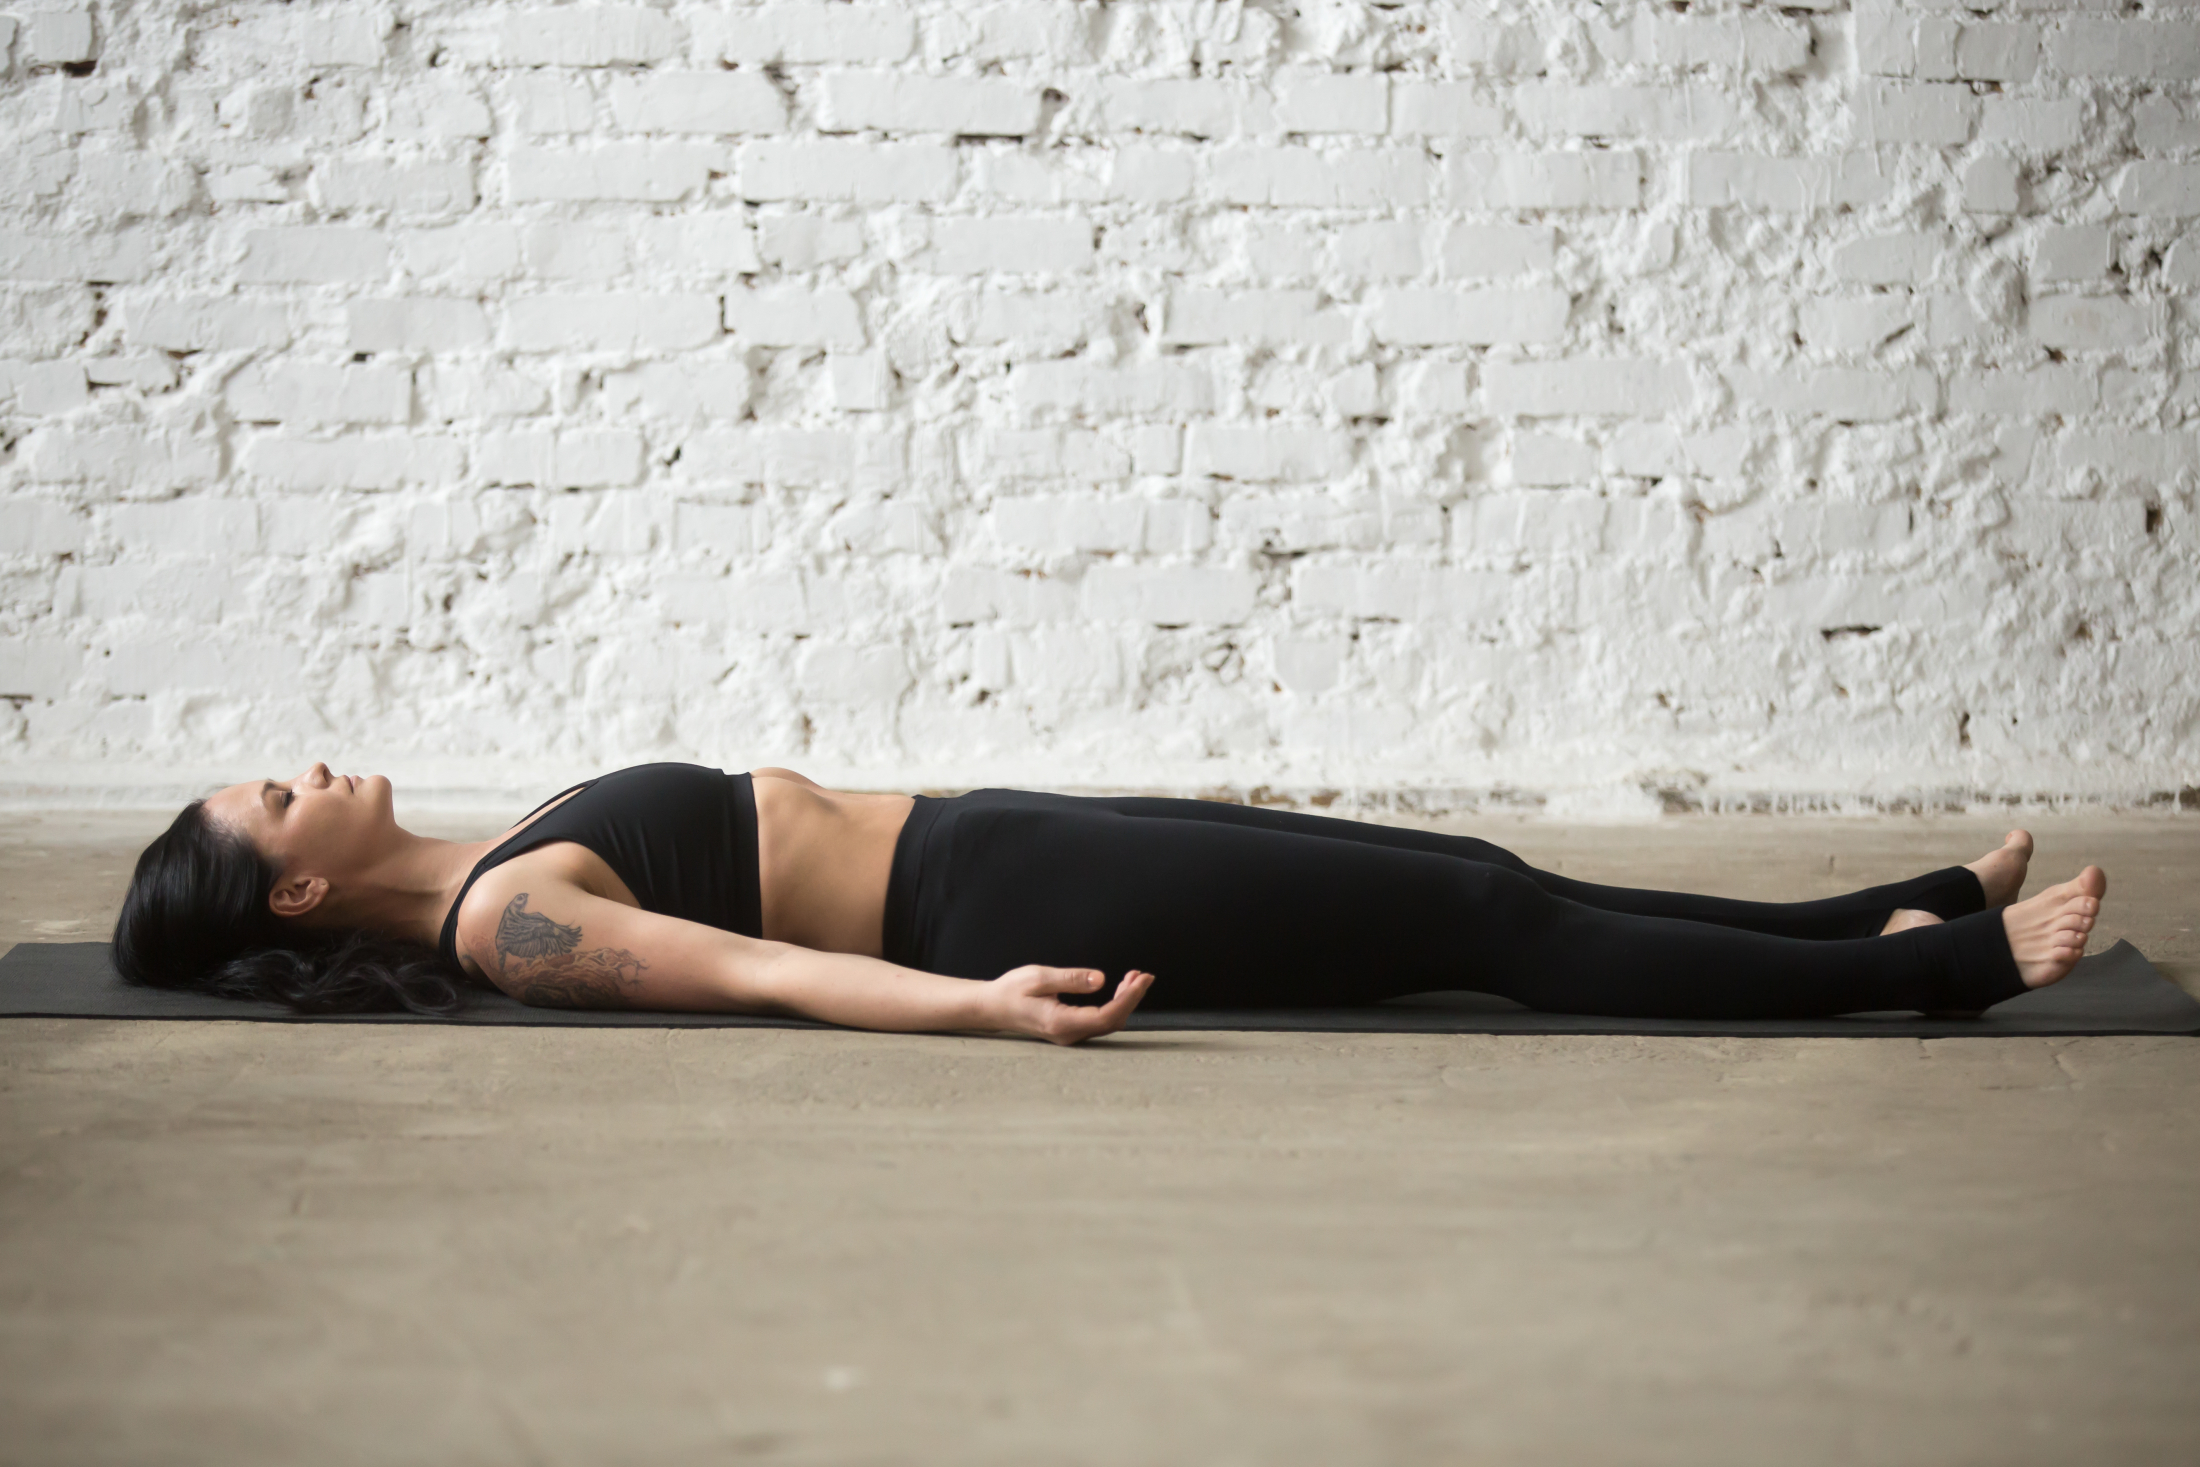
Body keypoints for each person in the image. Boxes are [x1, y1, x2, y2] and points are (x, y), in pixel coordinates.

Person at [112, 762, 2107, 1044]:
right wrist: (979, 1005)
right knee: (1482, 931)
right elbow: (755, 965)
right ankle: (1934, 972)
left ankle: (1877, 905)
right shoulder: (499, 921)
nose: (314, 759)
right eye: (278, 788)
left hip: (992, 826)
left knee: (1479, 878)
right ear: (291, 873)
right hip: (985, 891)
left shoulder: (481, 857)